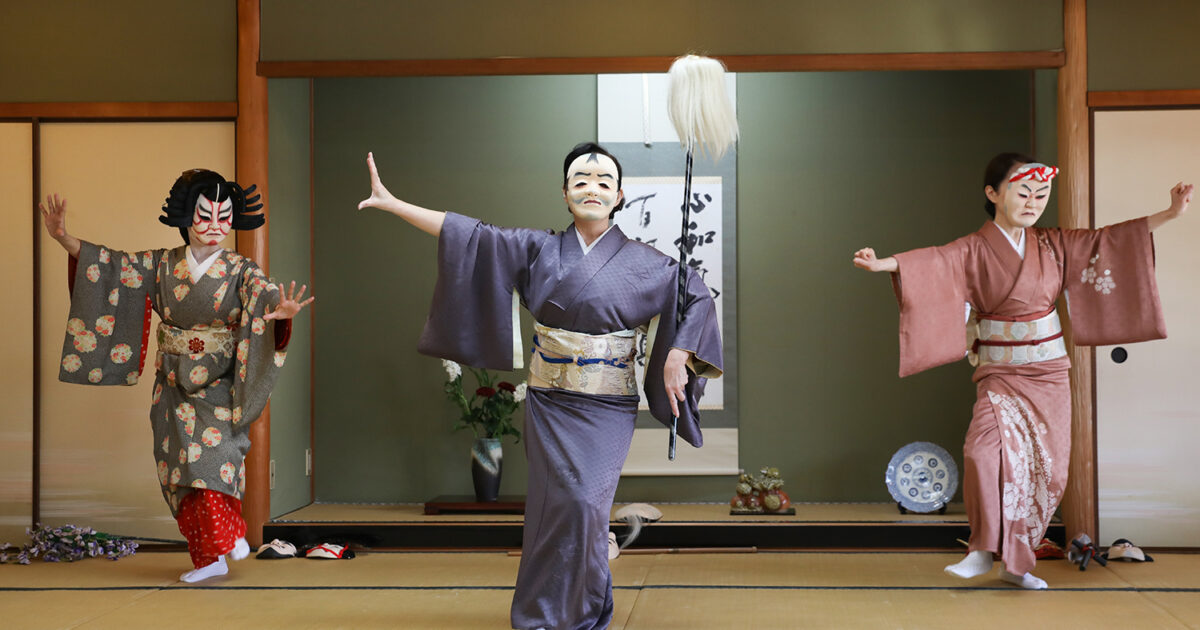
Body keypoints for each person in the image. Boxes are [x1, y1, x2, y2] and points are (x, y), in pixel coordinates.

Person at [358, 142, 722, 629]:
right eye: (580, 180)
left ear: (619, 196)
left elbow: (696, 299)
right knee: (555, 511)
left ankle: (584, 607)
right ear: (565, 193)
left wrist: (677, 353)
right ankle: (544, 613)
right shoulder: (537, 249)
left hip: (607, 407)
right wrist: (393, 202)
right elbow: (469, 236)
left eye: (603, 182)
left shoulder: (648, 264)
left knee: (585, 504)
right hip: (549, 404)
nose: (591, 188)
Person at [853, 152, 1191, 589]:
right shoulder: (974, 248)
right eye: (1023, 192)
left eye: (1041, 194)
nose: (1033, 202)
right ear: (993, 193)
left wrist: (1170, 213)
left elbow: (1109, 241)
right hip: (1000, 373)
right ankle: (980, 550)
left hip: (1048, 372)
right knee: (981, 451)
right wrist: (884, 264)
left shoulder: (1053, 243)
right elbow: (934, 263)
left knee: (1044, 470)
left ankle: (1017, 563)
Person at [39, 169, 314, 583]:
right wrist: (63, 236)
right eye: (205, 216)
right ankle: (209, 559)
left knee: (214, 463)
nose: (215, 226)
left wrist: (280, 311)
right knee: (179, 474)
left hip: (220, 386)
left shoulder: (241, 269)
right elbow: (111, 268)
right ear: (186, 217)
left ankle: (230, 534)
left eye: (224, 217)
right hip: (171, 386)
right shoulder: (161, 264)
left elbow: (264, 295)